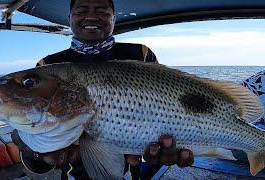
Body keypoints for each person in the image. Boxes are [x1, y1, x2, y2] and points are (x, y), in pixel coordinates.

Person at [11, 0, 194, 179]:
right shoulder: (48, 66)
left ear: (114, 18)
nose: (91, 16)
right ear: (69, 18)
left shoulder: (140, 54)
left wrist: (164, 150)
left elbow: (168, 107)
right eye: (81, 11)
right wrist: (34, 152)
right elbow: (37, 164)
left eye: (102, 11)